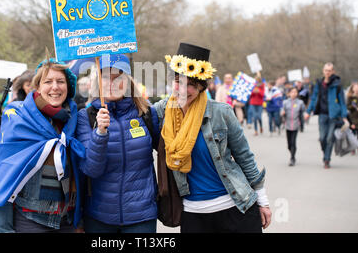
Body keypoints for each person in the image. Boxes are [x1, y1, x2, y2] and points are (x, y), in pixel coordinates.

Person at [156, 42, 271, 233]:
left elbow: (244, 157)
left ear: (202, 87)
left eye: (191, 84)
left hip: (235, 208)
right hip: (193, 216)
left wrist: (263, 201)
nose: (183, 90)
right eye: (179, 81)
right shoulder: (162, 112)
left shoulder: (221, 112)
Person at [0, 58, 86, 233]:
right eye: (48, 81)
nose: (55, 87)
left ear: (68, 88)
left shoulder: (76, 120)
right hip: (30, 220)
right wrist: (4, 227)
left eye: (60, 81)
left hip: (67, 221)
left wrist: (81, 221)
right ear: (38, 87)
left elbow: (83, 172)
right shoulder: (19, 118)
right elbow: (5, 174)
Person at [76, 54, 159, 233]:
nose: (112, 83)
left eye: (118, 77)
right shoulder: (86, 116)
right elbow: (92, 169)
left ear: (128, 81)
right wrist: (100, 133)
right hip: (100, 218)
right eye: (106, 77)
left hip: (141, 217)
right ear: (98, 81)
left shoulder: (146, 114)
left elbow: (169, 149)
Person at [305, 63, 348, 169]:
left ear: (333, 71)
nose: (327, 72)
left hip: (333, 115)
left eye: (329, 70)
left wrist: (344, 115)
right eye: (326, 70)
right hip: (322, 114)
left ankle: (327, 159)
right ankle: (325, 154)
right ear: (323, 71)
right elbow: (314, 98)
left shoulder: (337, 84)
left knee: (329, 139)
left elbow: (342, 101)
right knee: (322, 138)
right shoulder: (319, 83)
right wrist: (308, 111)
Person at [281, 87, 305, 166]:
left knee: (293, 142)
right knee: (289, 144)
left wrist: (302, 126)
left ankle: (292, 158)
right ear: (289, 93)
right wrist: (282, 114)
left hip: (295, 125)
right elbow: (281, 114)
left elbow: (301, 115)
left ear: (297, 93)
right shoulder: (285, 102)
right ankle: (292, 153)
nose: (293, 94)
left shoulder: (300, 103)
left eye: (295, 92)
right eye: (292, 92)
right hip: (287, 125)